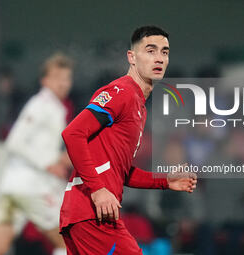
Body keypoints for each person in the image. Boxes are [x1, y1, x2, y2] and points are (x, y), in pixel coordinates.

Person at [60, 25, 197, 255]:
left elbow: (121, 171)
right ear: (132, 57)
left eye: (165, 52)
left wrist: (165, 181)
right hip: (92, 213)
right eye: (150, 50)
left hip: (89, 214)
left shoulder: (139, 108)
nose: (159, 58)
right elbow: (72, 134)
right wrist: (98, 190)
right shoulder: (121, 91)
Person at [0, 53, 74, 255]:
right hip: (32, 188)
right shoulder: (41, 105)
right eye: (58, 78)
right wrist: (49, 163)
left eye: (66, 78)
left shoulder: (53, 107)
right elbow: (15, 142)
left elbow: (38, 147)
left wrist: (59, 158)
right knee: (69, 242)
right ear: (45, 80)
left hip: (13, 188)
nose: (63, 83)